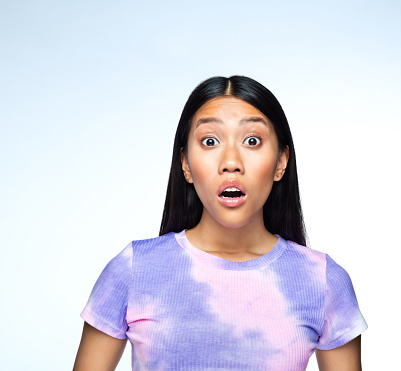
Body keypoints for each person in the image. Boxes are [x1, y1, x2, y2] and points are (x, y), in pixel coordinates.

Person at [73, 76, 367, 371]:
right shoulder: (133, 269)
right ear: (186, 164)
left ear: (281, 162)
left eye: (252, 140)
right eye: (210, 141)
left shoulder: (323, 281)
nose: (230, 161)